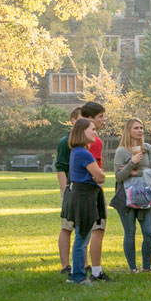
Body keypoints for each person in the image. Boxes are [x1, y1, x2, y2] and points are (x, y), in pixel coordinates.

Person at [63, 117, 107, 284]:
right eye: (92, 129)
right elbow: (100, 176)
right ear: (82, 132)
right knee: (82, 238)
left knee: (81, 237)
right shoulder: (83, 153)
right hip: (85, 198)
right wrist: (97, 177)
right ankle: (79, 277)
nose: (95, 133)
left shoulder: (77, 152)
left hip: (81, 195)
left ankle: (75, 273)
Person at [112, 117, 151, 273]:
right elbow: (118, 177)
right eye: (136, 128)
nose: (140, 131)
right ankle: (132, 267)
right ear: (128, 131)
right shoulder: (121, 151)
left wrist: (134, 172)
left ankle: (147, 266)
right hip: (126, 198)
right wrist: (131, 162)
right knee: (130, 233)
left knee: (149, 233)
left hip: (146, 196)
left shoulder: (148, 148)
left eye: (141, 128)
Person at [80, 101, 111, 280]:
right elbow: (94, 169)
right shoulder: (94, 140)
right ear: (90, 119)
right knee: (98, 229)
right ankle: (97, 271)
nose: (103, 120)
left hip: (77, 190)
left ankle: (82, 267)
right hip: (92, 190)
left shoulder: (73, 140)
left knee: (82, 231)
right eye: (100, 117)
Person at [55, 107, 82, 275]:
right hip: (70, 189)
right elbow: (60, 169)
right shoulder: (66, 142)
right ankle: (65, 265)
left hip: (84, 190)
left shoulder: (87, 141)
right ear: (73, 120)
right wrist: (66, 191)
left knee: (84, 227)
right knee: (67, 226)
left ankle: (83, 263)